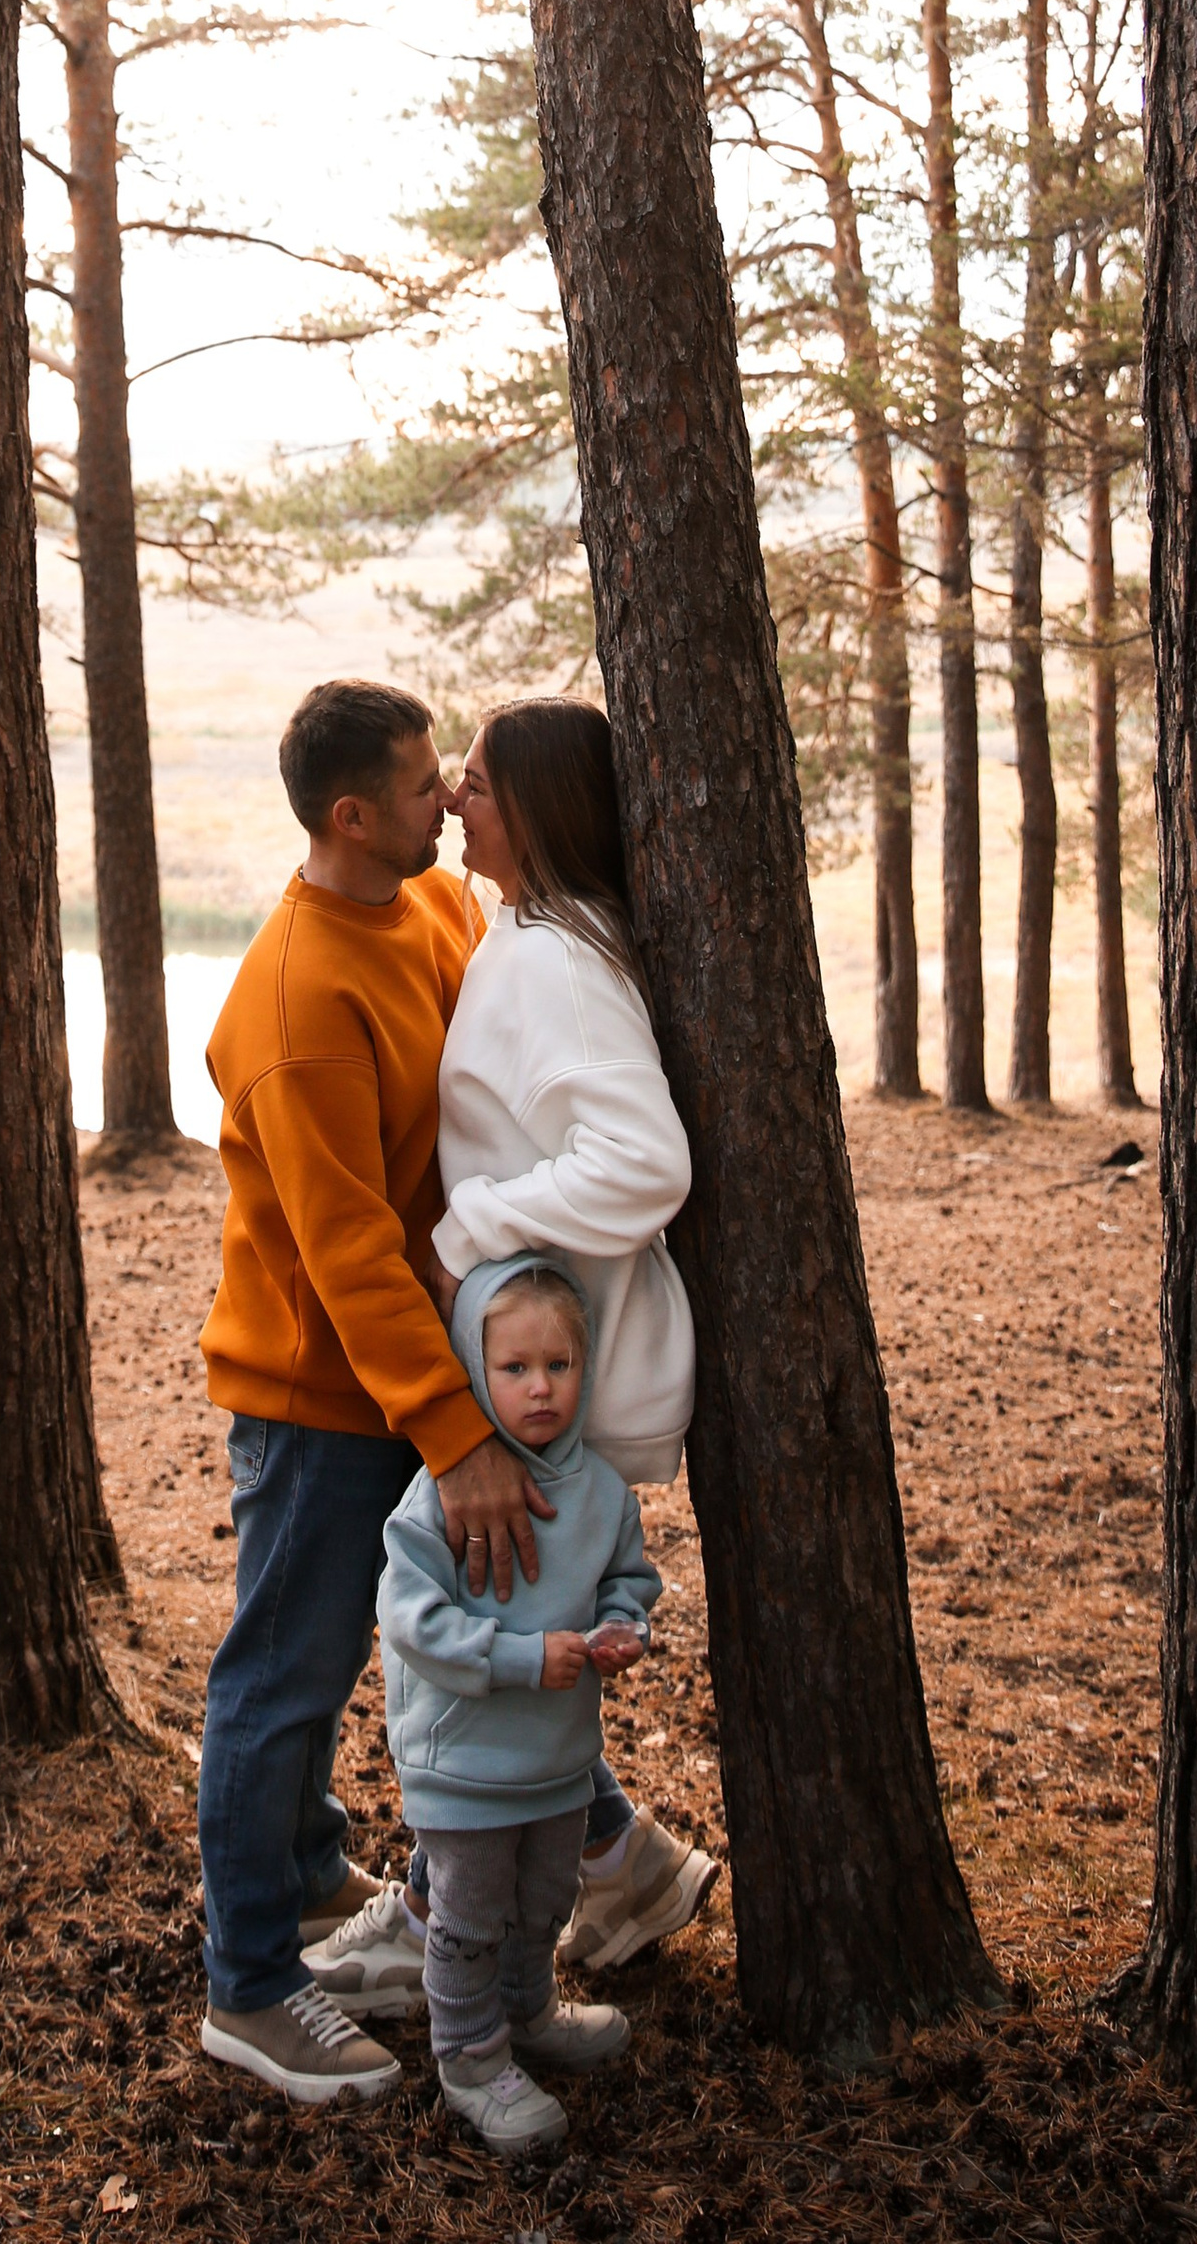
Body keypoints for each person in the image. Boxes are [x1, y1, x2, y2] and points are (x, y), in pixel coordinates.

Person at [308, 695, 716, 2019]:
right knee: (497, 1635)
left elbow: (645, 1163)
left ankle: (450, 1917)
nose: (454, 802)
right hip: (529, 1360)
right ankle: (606, 1859)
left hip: (543, 1381)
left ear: (531, 811)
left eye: (475, 783)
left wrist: (468, 1225)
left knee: (461, 1647)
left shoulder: (549, 961)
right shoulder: (526, 934)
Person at [195, 677, 554, 2106]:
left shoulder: (428, 910)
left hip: (398, 1376)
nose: (448, 803)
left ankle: (296, 1860)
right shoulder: (299, 998)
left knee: (336, 1662)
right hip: (314, 1398)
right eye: (425, 787)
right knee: (281, 1676)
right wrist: (457, 1432)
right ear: (354, 816)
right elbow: (345, 1251)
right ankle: (252, 1988)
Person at [378, 1256, 659, 2157]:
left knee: (547, 1893)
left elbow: (629, 1581)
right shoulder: (441, 1494)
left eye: (560, 1366)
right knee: (470, 1908)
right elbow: (409, 1619)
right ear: (474, 1368)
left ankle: (529, 2011)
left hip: (559, 1755)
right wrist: (518, 1657)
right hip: (465, 1758)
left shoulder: (606, 1495)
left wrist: (622, 1628)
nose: (540, 1388)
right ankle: (467, 2056)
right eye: (514, 1369)